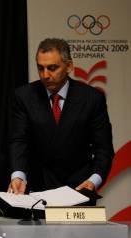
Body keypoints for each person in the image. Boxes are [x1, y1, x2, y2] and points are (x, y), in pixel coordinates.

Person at [8, 38, 114, 195]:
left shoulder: (91, 98)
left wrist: (93, 180)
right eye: (40, 68)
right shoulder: (24, 96)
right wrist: (18, 176)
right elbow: (19, 141)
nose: (45, 75)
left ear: (69, 66)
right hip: (38, 190)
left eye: (52, 68)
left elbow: (103, 148)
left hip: (79, 189)